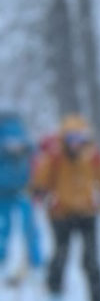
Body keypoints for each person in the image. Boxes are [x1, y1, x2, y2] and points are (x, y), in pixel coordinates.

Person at [30, 113, 100, 301]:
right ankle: (54, 295)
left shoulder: (93, 156)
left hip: (87, 213)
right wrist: (39, 191)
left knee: (91, 260)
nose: (76, 144)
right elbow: (40, 178)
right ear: (64, 139)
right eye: (71, 139)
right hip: (60, 214)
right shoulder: (55, 156)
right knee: (61, 254)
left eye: (80, 138)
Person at [0, 108, 45, 286]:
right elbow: (34, 155)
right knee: (25, 227)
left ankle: (29, 260)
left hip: (14, 190)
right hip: (18, 190)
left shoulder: (14, 131)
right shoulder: (21, 132)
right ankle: (34, 260)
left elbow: (35, 157)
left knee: (13, 227)